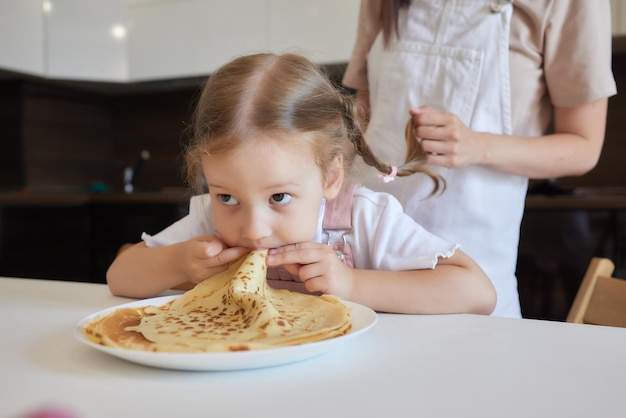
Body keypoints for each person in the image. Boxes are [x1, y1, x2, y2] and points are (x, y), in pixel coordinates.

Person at [106, 52, 496, 315]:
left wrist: (353, 284)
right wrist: (178, 262)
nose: (253, 230)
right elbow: (119, 277)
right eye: (227, 196)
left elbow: (477, 292)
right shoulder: (209, 221)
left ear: (330, 178)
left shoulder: (363, 219)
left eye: (278, 196)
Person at [342, 0, 617, 317]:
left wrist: (478, 146)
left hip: (471, 283)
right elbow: (364, 118)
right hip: (363, 268)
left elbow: (583, 148)